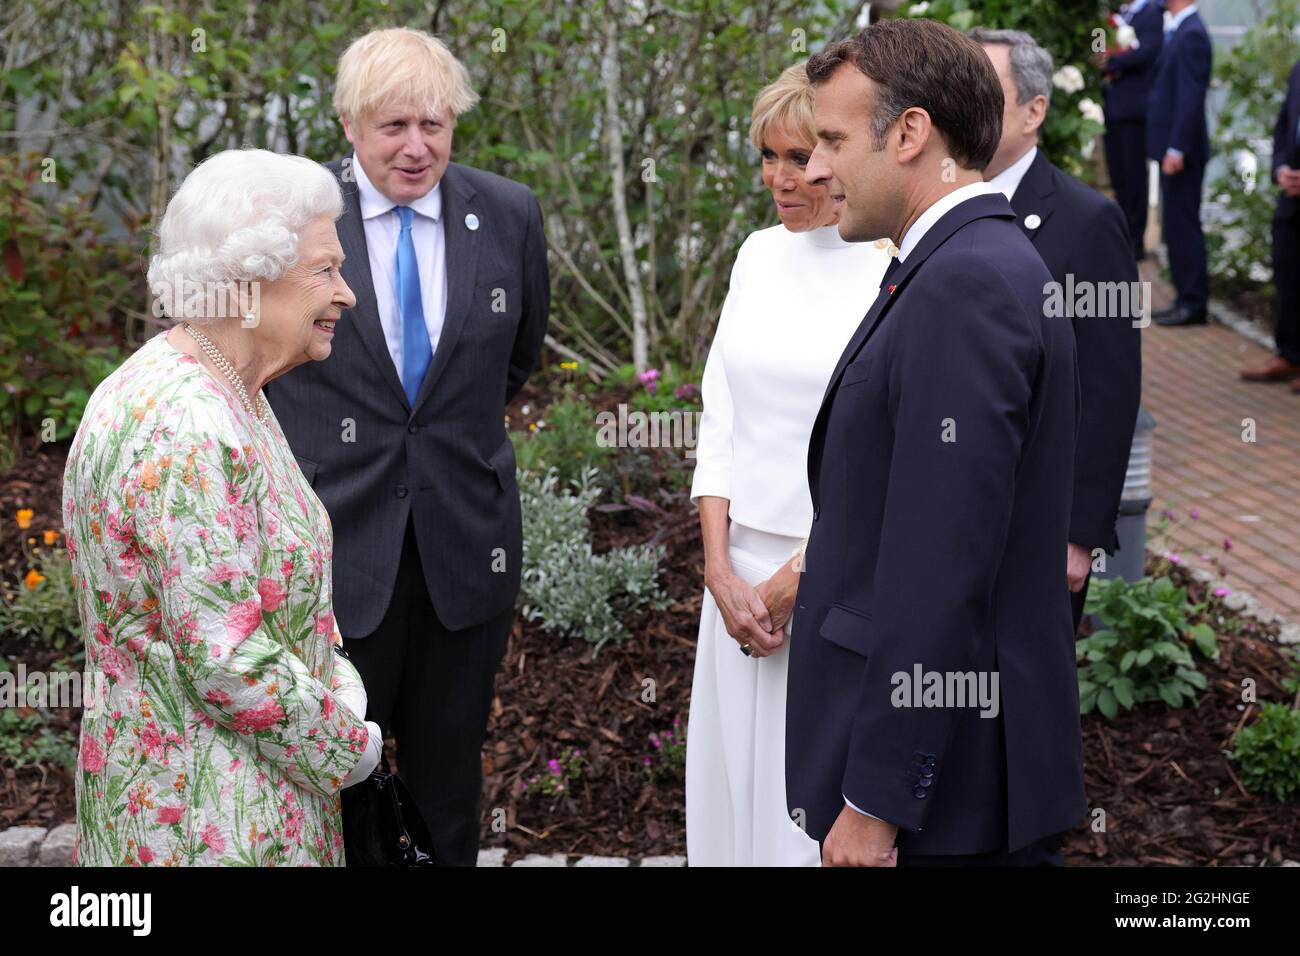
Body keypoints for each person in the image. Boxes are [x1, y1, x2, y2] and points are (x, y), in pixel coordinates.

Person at [787, 19, 1086, 867]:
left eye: (834, 141)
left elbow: (941, 567)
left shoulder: (966, 284)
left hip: (948, 801)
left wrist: (878, 799)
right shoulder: (959, 263)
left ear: (911, 133)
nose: (814, 170)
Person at [263, 27, 549, 867]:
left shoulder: (507, 212)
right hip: (334, 547)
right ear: (350, 127)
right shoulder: (294, 220)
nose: (417, 147)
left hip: (467, 549)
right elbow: (260, 368)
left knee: (448, 784)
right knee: (338, 780)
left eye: (435, 125)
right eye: (394, 127)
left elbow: (518, 357)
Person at [62, 148, 383, 867]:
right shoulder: (186, 422)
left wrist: (338, 680)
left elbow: (266, 601)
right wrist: (351, 748)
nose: (347, 294)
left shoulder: (227, 391)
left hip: (228, 802)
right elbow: (227, 661)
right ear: (249, 283)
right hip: (207, 826)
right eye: (324, 270)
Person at [686, 63, 890, 867]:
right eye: (766, 157)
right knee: (733, 793)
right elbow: (720, 420)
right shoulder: (755, 255)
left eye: (801, 156)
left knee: (807, 811)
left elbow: (883, 455)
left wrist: (794, 581)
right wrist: (718, 571)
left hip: (834, 581)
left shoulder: (890, 268)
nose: (781, 178)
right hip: (735, 586)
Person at [977, 28, 1142, 632]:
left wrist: (1079, 534)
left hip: (1036, 522)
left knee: (1026, 704)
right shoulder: (932, 207)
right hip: (951, 509)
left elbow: (1110, 385)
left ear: (1034, 110)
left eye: (982, 91)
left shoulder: (1088, 221)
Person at [1147, 0, 1212, 327]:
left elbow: (1191, 97)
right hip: (1173, 150)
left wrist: (1177, 148)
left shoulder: (1192, 34)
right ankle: (1183, 296)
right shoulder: (1179, 30)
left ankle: (1193, 302)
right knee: (1175, 225)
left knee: (1184, 225)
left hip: (1182, 153)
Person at [1241, 58, 1300, 387]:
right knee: (1288, 272)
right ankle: (1290, 355)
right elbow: (1283, 128)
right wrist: (1280, 169)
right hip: (1290, 198)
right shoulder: (1298, 68)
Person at [1101, 0, 1165, 259]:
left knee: (1134, 173)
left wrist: (1112, 62)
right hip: (1112, 107)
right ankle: (1122, 232)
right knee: (1118, 174)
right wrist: (1099, 55)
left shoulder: (1151, 14)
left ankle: (1136, 238)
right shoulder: (1113, 15)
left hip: (1136, 109)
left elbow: (1149, 52)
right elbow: (1099, 44)